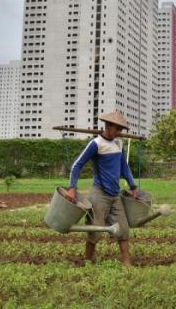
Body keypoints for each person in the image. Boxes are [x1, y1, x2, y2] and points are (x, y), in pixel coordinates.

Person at [66, 110, 139, 266]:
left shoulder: (119, 143)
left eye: (121, 130)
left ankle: (127, 263)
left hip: (115, 194)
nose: (119, 133)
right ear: (108, 126)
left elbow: (123, 167)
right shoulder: (96, 144)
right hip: (99, 194)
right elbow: (77, 165)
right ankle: (88, 262)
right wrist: (72, 188)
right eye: (117, 129)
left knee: (123, 229)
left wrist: (133, 185)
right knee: (95, 230)